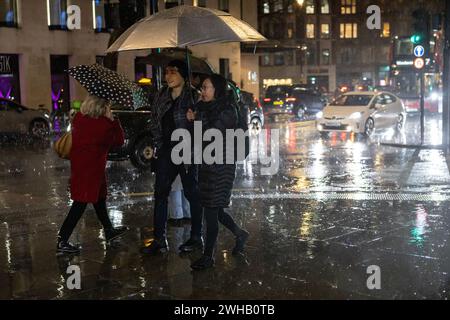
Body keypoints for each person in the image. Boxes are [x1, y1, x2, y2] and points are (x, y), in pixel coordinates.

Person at [188, 74, 249, 270]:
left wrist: (196, 119)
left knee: (211, 211)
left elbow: (210, 135)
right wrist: (195, 116)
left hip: (222, 166)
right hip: (207, 165)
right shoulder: (204, 108)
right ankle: (240, 234)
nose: (202, 91)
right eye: (202, 88)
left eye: (206, 87)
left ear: (217, 90)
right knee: (215, 209)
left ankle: (208, 256)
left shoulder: (227, 110)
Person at [142, 60, 203, 255]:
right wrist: (159, 144)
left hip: (187, 151)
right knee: (160, 194)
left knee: (192, 193)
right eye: (166, 72)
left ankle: (196, 237)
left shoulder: (194, 96)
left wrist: (196, 119)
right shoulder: (162, 95)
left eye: (173, 72)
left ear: (183, 75)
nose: (168, 76)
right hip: (166, 151)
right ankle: (159, 239)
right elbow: (154, 120)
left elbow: (204, 126)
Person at [56, 94, 128, 254]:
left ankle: (109, 230)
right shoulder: (104, 124)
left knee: (100, 199)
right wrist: (114, 120)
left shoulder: (80, 117)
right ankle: (62, 240)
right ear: (103, 106)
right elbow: (119, 141)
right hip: (92, 169)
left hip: (81, 167)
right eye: (108, 105)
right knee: (80, 204)